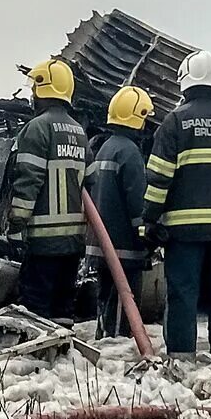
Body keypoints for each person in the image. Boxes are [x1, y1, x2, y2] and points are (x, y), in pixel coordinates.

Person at [142, 50, 211, 362]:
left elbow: (158, 178)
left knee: (183, 291)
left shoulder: (174, 123)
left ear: (184, 84)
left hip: (183, 230)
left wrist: (149, 220)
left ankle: (181, 356)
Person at [4, 58, 88, 322]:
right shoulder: (79, 131)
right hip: (73, 240)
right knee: (63, 307)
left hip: (43, 239)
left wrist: (16, 224)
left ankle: (36, 361)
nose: (31, 94)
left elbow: (28, 180)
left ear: (44, 90)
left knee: (35, 308)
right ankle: (65, 356)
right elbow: (90, 182)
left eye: (35, 88)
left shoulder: (37, 128)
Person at [84, 86, 152, 337]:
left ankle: (103, 346)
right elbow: (137, 202)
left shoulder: (105, 147)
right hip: (124, 247)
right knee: (123, 306)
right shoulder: (130, 153)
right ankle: (115, 350)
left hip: (101, 244)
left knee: (105, 301)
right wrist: (146, 235)